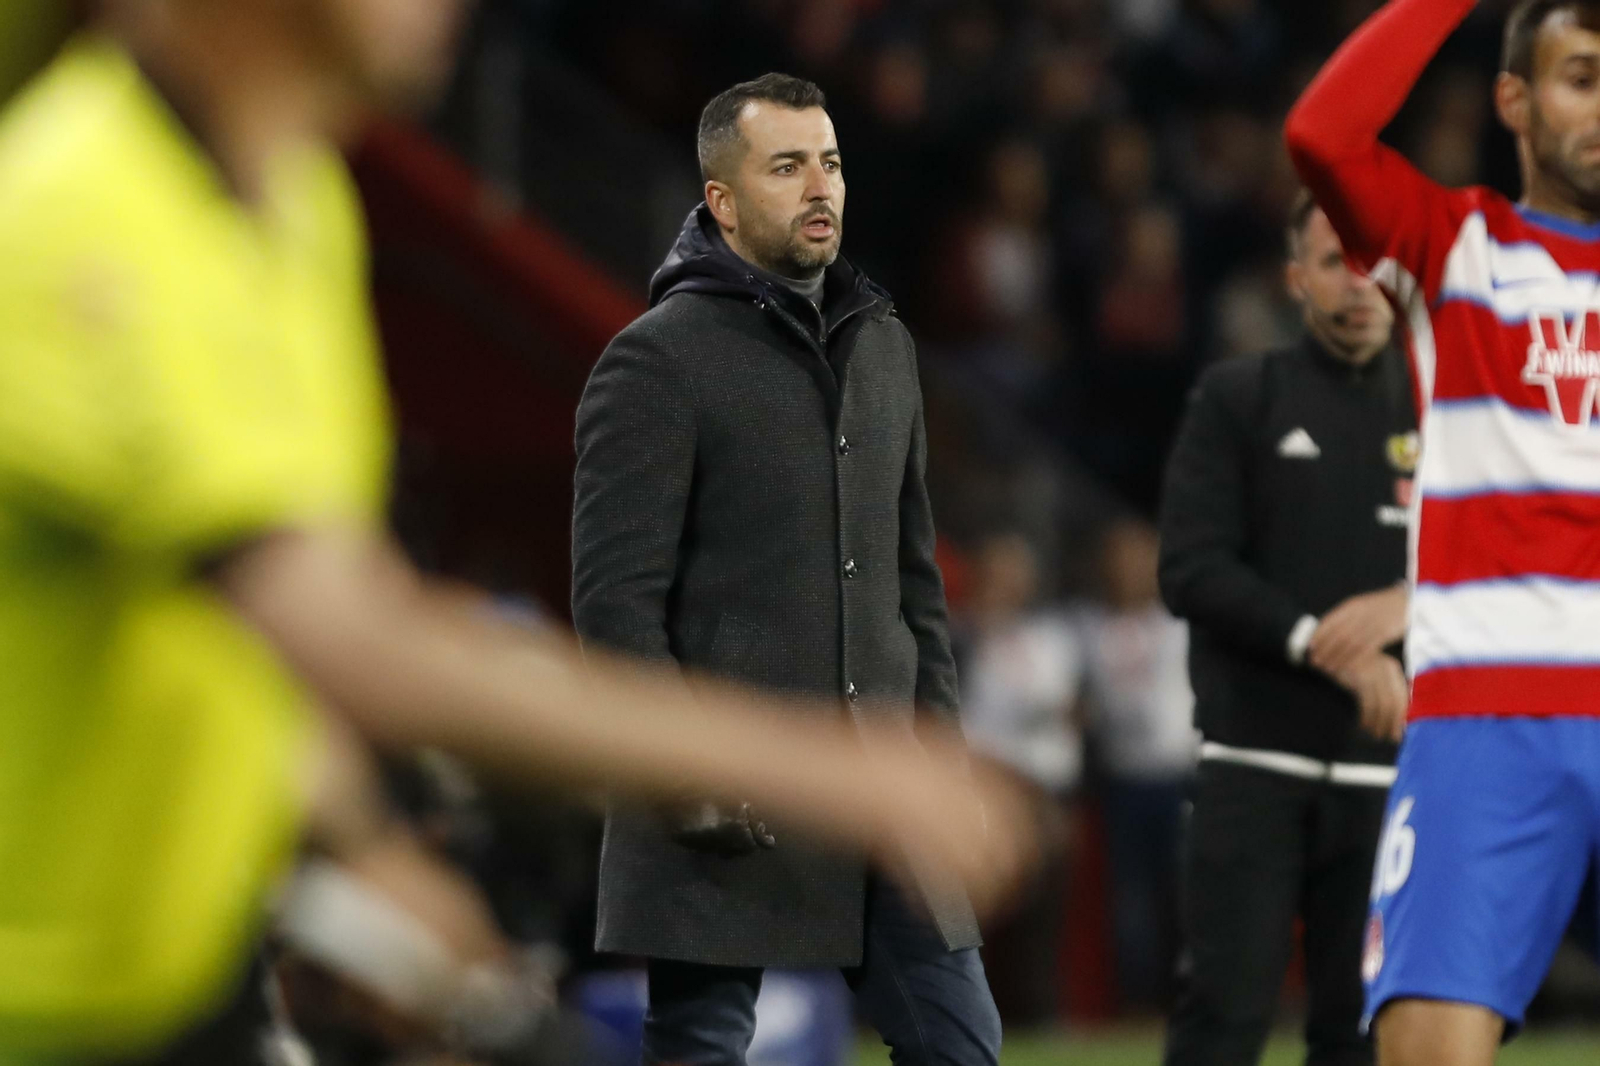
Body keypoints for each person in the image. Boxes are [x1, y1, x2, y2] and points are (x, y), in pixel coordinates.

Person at [0, 7, 1038, 1064]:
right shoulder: (82, 218)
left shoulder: (293, 198)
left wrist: (363, 844)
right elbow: (360, 645)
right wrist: (832, 773)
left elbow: (233, 629)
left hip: (175, 987)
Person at [571, 73, 1004, 1066]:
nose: (821, 187)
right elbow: (614, 601)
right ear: (721, 201)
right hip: (729, 795)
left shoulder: (885, 345)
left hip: (881, 788)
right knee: (702, 1049)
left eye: (832, 163)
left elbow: (914, 586)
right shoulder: (653, 362)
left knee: (961, 1045)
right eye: (787, 166)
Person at [1288, 2, 1600, 1062]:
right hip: (1486, 728)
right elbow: (1322, 139)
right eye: (1580, 77)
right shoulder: (1454, 242)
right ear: (1513, 98)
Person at [1157, 191, 1415, 1065]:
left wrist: (1415, 602)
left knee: (1361, 1035)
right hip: (1252, 765)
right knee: (1221, 1025)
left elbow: (1514, 561)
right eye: (1335, 262)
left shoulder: (1448, 416)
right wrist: (1325, 645)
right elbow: (1189, 568)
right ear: (1297, 277)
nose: (1358, 284)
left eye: (1375, 261)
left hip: (1393, 775)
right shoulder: (1240, 396)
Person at [1079, 518, 1195, 1014]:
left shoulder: (1182, 625)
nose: (1129, 569)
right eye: (1120, 558)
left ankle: (1191, 998)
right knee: (1132, 903)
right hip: (1125, 781)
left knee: (1187, 896)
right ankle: (1140, 1008)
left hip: (1181, 778)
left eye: (1138, 557)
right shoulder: (1087, 631)